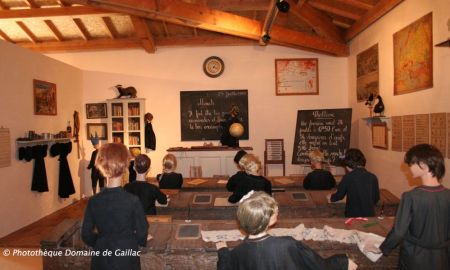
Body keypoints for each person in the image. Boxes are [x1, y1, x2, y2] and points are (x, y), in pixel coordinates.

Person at [216, 191, 357, 270]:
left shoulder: (237, 252)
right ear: (271, 220)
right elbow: (318, 266)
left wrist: (223, 251)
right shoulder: (288, 244)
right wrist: (343, 263)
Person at [364, 144, 450, 270]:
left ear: (423, 165)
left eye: (411, 164)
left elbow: (399, 232)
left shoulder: (411, 197)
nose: (409, 168)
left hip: (415, 258)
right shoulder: (447, 195)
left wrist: (382, 248)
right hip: (443, 258)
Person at [81, 143, 149, 270]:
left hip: (102, 255)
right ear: (125, 166)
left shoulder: (94, 201)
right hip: (127, 255)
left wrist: (102, 241)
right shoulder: (132, 201)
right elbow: (142, 232)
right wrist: (133, 241)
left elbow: (86, 234)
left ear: (101, 166)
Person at [330, 148, 379, 217]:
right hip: (369, 216)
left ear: (347, 165)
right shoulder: (373, 177)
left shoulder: (348, 177)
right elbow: (376, 199)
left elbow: (338, 196)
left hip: (353, 216)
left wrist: (331, 197)